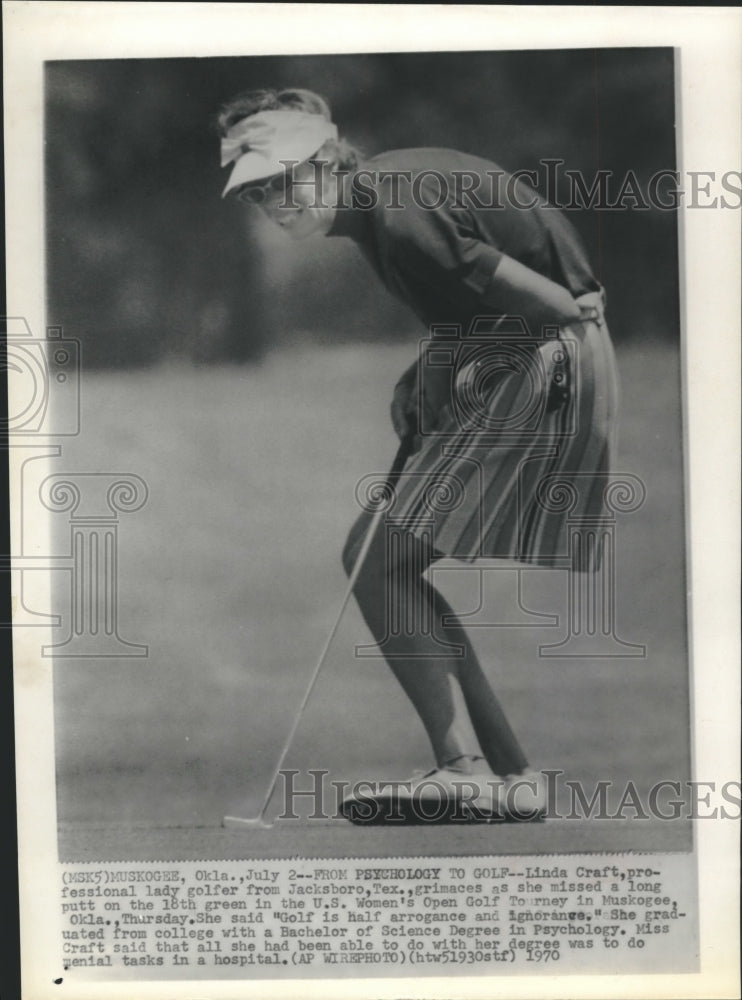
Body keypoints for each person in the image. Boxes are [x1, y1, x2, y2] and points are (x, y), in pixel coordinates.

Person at [216, 88, 619, 822]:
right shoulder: (379, 205)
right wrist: (429, 371)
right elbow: (476, 306)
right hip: (534, 358)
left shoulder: (397, 216)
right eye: (258, 194)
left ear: (330, 159)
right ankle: (512, 776)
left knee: (378, 560)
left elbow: (560, 305)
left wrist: (453, 367)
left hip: (547, 360)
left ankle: (462, 767)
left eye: (287, 179)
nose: (278, 204)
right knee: (387, 562)